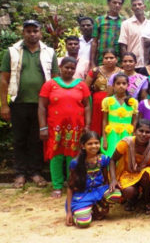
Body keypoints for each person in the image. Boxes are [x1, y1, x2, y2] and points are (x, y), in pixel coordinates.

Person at [0, 19, 59, 189]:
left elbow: (54, 79)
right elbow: (4, 80)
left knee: (37, 139)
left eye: (35, 31)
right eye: (28, 31)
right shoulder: (12, 52)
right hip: (18, 103)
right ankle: (19, 174)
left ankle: (35, 172)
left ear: (40, 32)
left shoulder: (49, 52)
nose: (32, 34)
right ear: (23, 33)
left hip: (42, 105)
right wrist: (4, 105)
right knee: (19, 139)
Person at [38, 57, 91, 197]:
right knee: (56, 155)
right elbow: (42, 107)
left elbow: (87, 106)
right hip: (55, 127)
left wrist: (88, 125)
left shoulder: (81, 85)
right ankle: (57, 185)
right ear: (60, 67)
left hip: (76, 127)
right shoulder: (50, 85)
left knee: (73, 156)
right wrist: (42, 127)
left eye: (72, 68)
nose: (69, 70)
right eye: (66, 67)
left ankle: (72, 183)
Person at [65, 131, 121, 228]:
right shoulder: (76, 163)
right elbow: (70, 188)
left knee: (116, 194)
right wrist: (69, 212)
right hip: (82, 195)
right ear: (83, 146)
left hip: (98, 191)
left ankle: (96, 207)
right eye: (90, 144)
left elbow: (105, 180)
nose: (94, 146)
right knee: (83, 223)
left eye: (96, 143)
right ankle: (81, 212)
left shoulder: (102, 159)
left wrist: (105, 202)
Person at [109, 119, 150, 214]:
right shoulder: (125, 143)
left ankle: (147, 199)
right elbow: (113, 160)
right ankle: (133, 199)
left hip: (147, 176)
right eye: (141, 131)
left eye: (147, 132)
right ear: (135, 131)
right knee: (128, 192)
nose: (143, 134)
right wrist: (113, 179)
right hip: (129, 173)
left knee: (147, 173)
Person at [85, 49, 121, 135]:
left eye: (111, 58)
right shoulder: (95, 71)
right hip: (97, 105)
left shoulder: (121, 72)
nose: (109, 60)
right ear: (103, 59)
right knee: (97, 126)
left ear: (116, 59)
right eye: (106, 58)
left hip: (115, 104)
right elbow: (85, 88)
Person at [101, 73, 138, 157]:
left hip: (127, 135)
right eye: (118, 83)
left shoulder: (133, 102)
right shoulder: (108, 101)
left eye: (124, 83)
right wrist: (104, 139)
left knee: (125, 157)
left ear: (128, 85)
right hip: (111, 134)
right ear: (113, 85)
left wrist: (134, 138)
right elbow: (104, 120)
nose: (121, 86)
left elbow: (134, 121)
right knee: (111, 156)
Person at [91, 0, 125, 67]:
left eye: (120, 3)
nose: (117, 5)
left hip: (119, 61)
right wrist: (92, 62)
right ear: (109, 3)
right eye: (114, 2)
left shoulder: (125, 21)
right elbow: (94, 42)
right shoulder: (99, 20)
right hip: (102, 60)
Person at [118, 0, 148, 68]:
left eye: (140, 4)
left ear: (144, 7)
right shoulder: (126, 24)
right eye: (134, 5)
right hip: (133, 65)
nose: (137, 7)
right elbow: (122, 46)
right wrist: (127, 62)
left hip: (147, 65)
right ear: (132, 9)